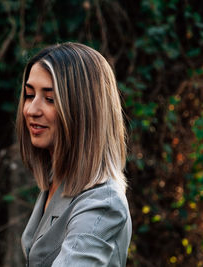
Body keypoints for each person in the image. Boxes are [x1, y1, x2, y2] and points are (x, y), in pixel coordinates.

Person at [16, 42, 132, 266]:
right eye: (30, 95)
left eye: (49, 99)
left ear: (83, 110)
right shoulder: (57, 183)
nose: (31, 110)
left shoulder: (102, 202)